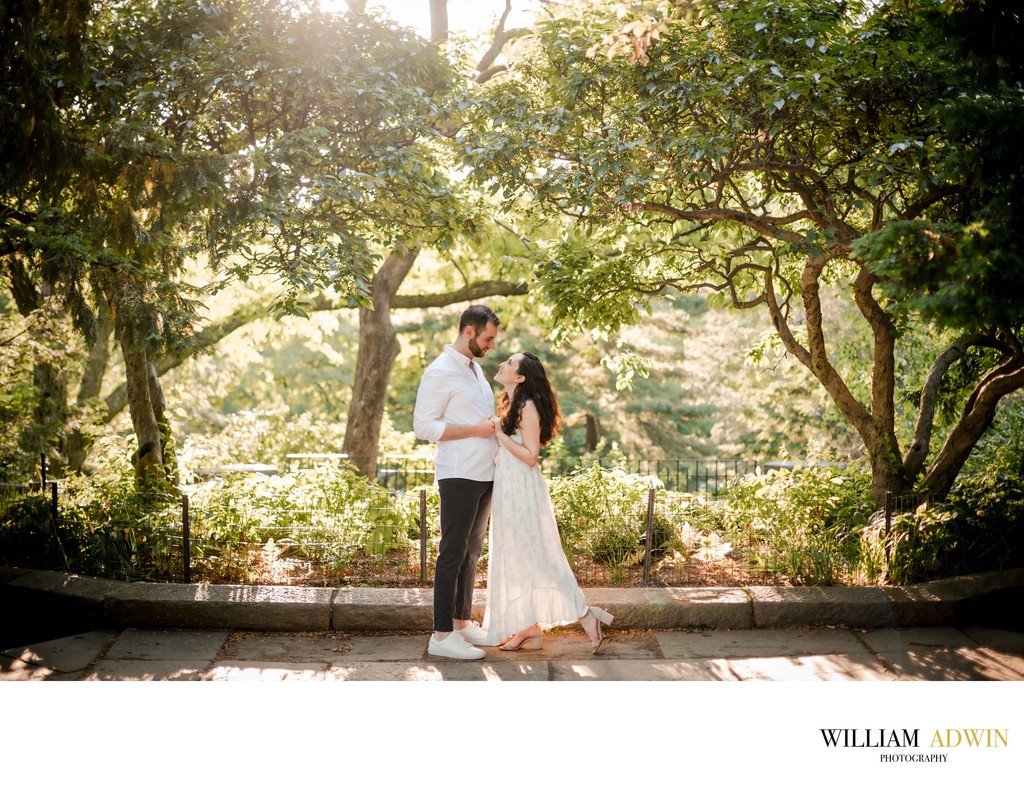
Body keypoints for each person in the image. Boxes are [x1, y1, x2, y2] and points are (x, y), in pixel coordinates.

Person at [481, 351, 614, 653]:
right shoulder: (512, 403)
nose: (502, 364)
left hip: (522, 488)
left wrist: (499, 434)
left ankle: (585, 614)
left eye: (510, 364)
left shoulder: (527, 406)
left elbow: (530, 456)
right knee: (518, 556)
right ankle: (529, 627)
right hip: (509, 486)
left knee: (540, 556)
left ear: (520, 377)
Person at [413, 305, 501, 660]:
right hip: (458, 475)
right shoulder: (440, 372)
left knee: (471, 552)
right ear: (469, 332)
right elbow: (424, 427)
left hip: (485, 474)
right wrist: (476, 431)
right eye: (488, 338)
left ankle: (462, 622)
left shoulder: (475, 369)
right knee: (451, 553)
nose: (492, 345)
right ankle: (441, 634)